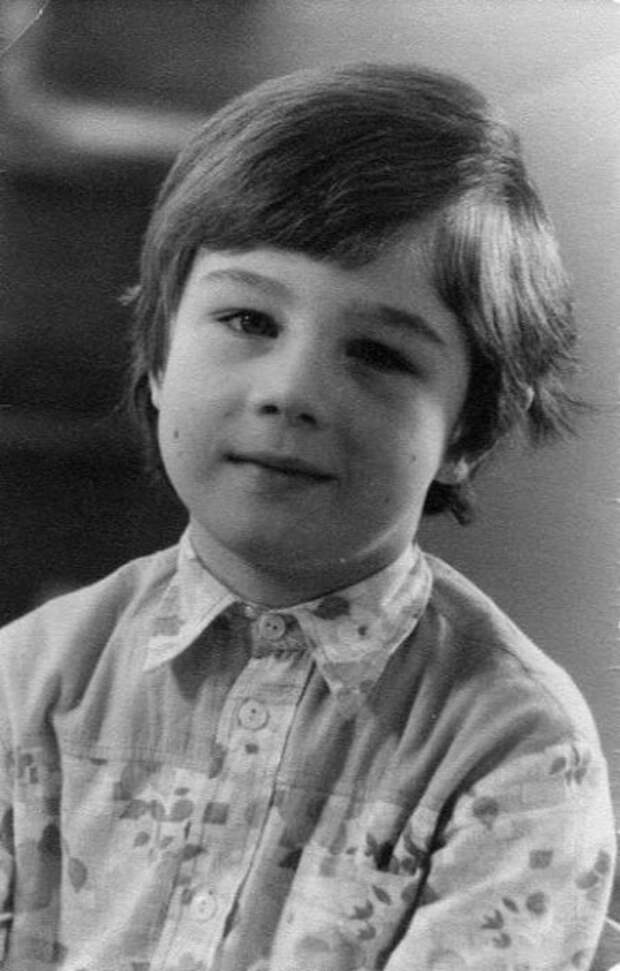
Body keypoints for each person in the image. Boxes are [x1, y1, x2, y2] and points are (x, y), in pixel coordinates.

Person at [0, 62, 615, 971]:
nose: (292, 391)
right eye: (250, 320)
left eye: (378, 353)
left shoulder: (515, 749)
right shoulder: (28, 680)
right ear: (160, 354)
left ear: (470, 430)